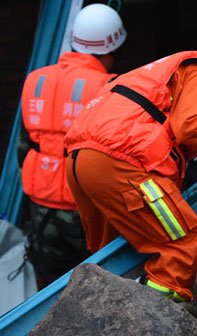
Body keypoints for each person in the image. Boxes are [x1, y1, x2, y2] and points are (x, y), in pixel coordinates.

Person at [63, 32, 197, 302]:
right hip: (119, 161)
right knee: (183, 244)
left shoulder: (172, 77)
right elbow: (190, 127)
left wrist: (175, 225)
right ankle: (148, 323)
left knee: (115, 256)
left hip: (83, 162)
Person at [18, 3, 127, 287]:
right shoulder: (109, 87)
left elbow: (23, 146)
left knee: (50, 282)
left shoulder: (36, 79)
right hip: (83, 206)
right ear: (112, 48)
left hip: (39, 200)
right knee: (94, 281)